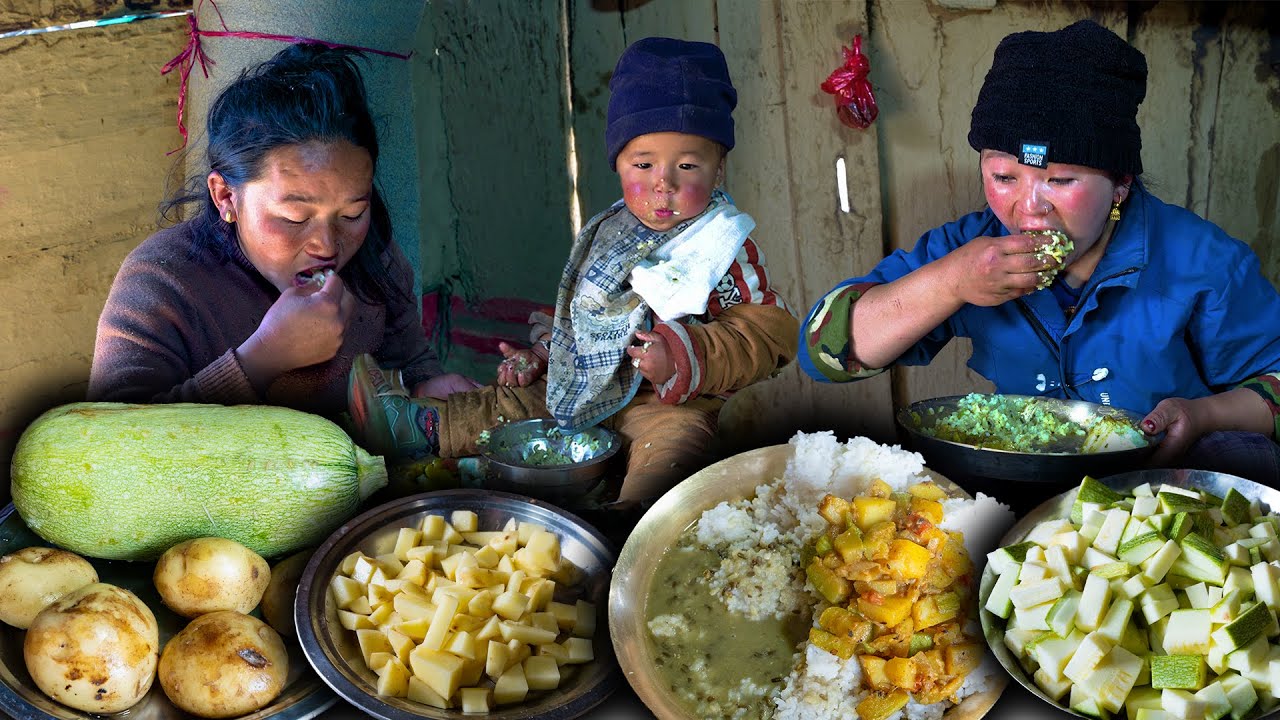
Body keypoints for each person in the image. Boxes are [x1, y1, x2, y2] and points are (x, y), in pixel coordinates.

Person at [799, 19, 1280, 481]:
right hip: (1030, 484)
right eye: (1004, 177)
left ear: (1120, 183)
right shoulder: (966, 249)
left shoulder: (1205, 260)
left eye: (1061, 180)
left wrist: (1202, 414)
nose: (1029, 208)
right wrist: (949, 282)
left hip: (1171, 480)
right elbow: (822, 354)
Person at [350, 37, 799, 503]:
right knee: (509, 408)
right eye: (642, 164)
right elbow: (584, 317)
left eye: (687, 166)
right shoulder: (610, 234)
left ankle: (627, 530)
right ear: (618, 164)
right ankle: (416, 428)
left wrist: (681, 354)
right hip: (588, 382)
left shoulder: (720, 245)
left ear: (718, 170)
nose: (662, 184)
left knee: (671, 459)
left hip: (666, 403)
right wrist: (545, 354)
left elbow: (769, 336)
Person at [88, 43, 478, 418]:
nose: (327, 245)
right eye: (294, 218)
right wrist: (262, 359)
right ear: (225, 197)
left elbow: (408, 362)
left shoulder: (376, 260)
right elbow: (115, 447)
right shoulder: (162, 284)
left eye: (352, 214)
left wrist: (426, 391)